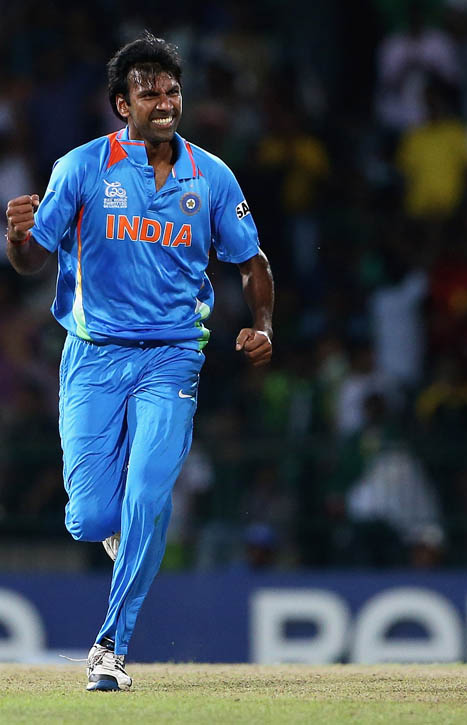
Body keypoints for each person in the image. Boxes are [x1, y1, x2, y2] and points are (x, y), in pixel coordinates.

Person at [4, 33, 274, 691]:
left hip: (174, 358)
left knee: (151, 495)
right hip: (93, 357)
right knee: (92, 516)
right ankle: (114, 529)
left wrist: (263, 324)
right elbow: (33, 258)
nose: (164, 98)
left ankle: (109, 649)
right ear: (120, 103)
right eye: (148, 89)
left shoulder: (210, 175)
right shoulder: (81, 168)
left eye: (172, 88)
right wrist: (17, 238)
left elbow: (252, 261)